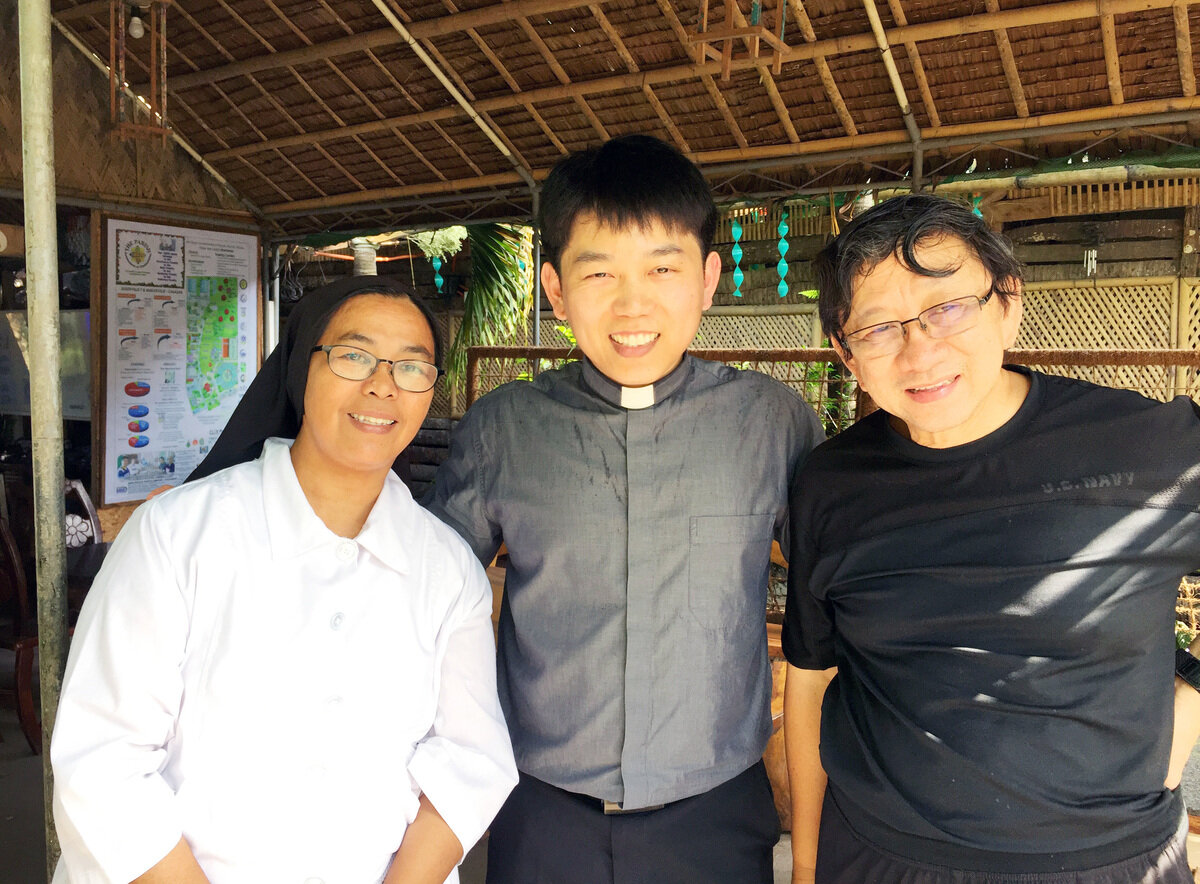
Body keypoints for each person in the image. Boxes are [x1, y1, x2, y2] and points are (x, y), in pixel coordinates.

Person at [424, 134, 825, 884]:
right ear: (554, 288)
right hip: (541, 812)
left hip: (713, 814)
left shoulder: (771, 423)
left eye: (663, 269)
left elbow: (841, 588)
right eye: (599, 271)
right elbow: (419, 586)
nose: (632, 304)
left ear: (708, 279)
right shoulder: (506, 428)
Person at [782, 193, 1200, 884]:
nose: (921, 351)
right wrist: (804, 865)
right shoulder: (832, 483)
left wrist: (1188, 696)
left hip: (1107, 863)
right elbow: (810, 677)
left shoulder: (1147, 447)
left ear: (1007, 303)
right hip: (880, 858)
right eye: (881, 327)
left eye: (947, 309)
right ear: (844, 352)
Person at [51, 276, 517, 884]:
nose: (382, 384)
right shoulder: (176, 536)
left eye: (412, 366)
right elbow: (103, 759)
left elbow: (469, 760)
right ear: (302, 368)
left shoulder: (448, 571)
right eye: (354, 356)